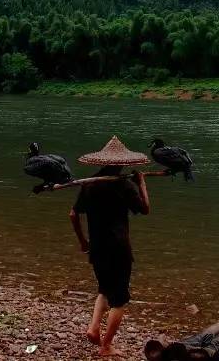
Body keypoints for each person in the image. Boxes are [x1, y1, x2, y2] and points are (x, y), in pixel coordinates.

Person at [69, 136, 152, 357]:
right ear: (123, 164)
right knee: (120, 299)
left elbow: (73, 214)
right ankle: (106, 346)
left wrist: (83, 241)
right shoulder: (125, 184)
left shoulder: (89, 183)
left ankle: (94, 329)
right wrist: (141, 183)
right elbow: (145, 209)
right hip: (118, 248)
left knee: (105, 288)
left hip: (97, 247)